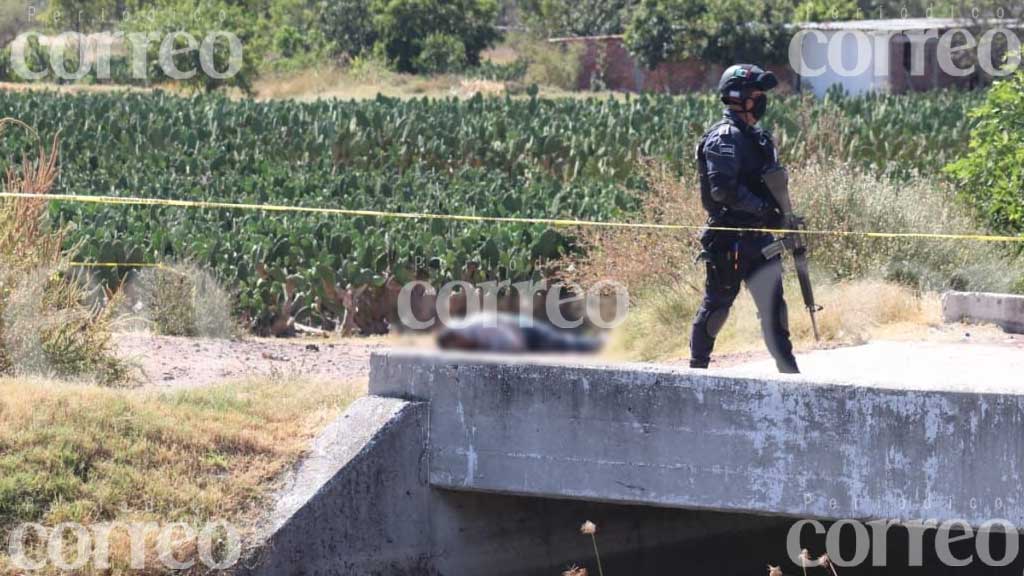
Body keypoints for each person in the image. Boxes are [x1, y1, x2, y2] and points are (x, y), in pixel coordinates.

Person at [689, 64, 799, 374]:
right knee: (717, 309)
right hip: (729, 240)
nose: (763, 100)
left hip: (760, 240)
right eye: (758, 95)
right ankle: (696, 371)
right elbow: (723, 190)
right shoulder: (724, 137)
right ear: (739, 97)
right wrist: (764, 210)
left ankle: (789, 375)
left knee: (775, 311)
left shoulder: (758, 138)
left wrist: (783, 216)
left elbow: (770, 184)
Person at [437, 312, 604, 354]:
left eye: (457, 347)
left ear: (456, 339)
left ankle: (599, 343)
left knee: (563, 344)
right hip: (522, 330)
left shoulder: (479, 329)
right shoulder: (470, 332)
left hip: (526, 332)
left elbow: (513, 343)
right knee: (562, 343)